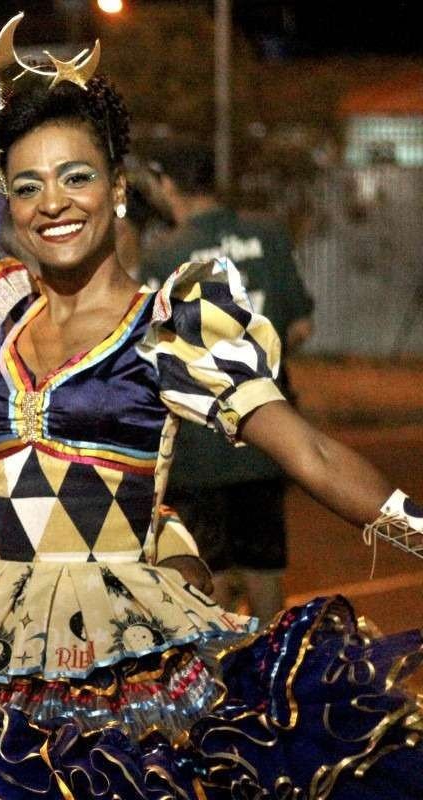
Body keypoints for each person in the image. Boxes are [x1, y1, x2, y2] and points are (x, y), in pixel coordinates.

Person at [0, 17, 423, 799]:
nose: (51, 203)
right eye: (26, 185)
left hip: (126, 644)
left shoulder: (170, 322)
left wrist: (422, 534)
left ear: (120, 189)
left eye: (76, 177)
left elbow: (315, 455)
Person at [141, 140, 315, 621]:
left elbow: (152, 347)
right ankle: (269, 675)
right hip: (267, 434)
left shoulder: (164, 254)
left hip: (199, 445)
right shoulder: (269, 235)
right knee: (264, 572)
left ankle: (218, 683)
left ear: (167, 183)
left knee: (206, 576)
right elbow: (300, 326)